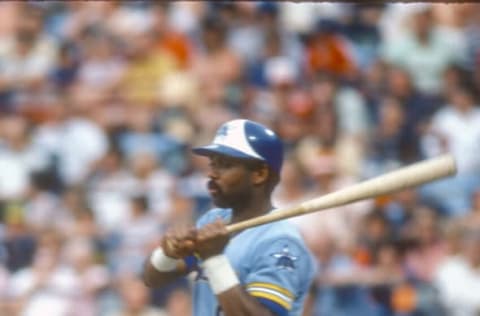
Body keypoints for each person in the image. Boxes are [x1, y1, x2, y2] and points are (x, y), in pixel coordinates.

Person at [143, 119, 316, 316]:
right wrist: (167, 254)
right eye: (212, 164)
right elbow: (152, 279)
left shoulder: (280, 241)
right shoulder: (214, 219)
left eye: (224, 165)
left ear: (259, 173)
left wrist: (214, 259)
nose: (211, 174)